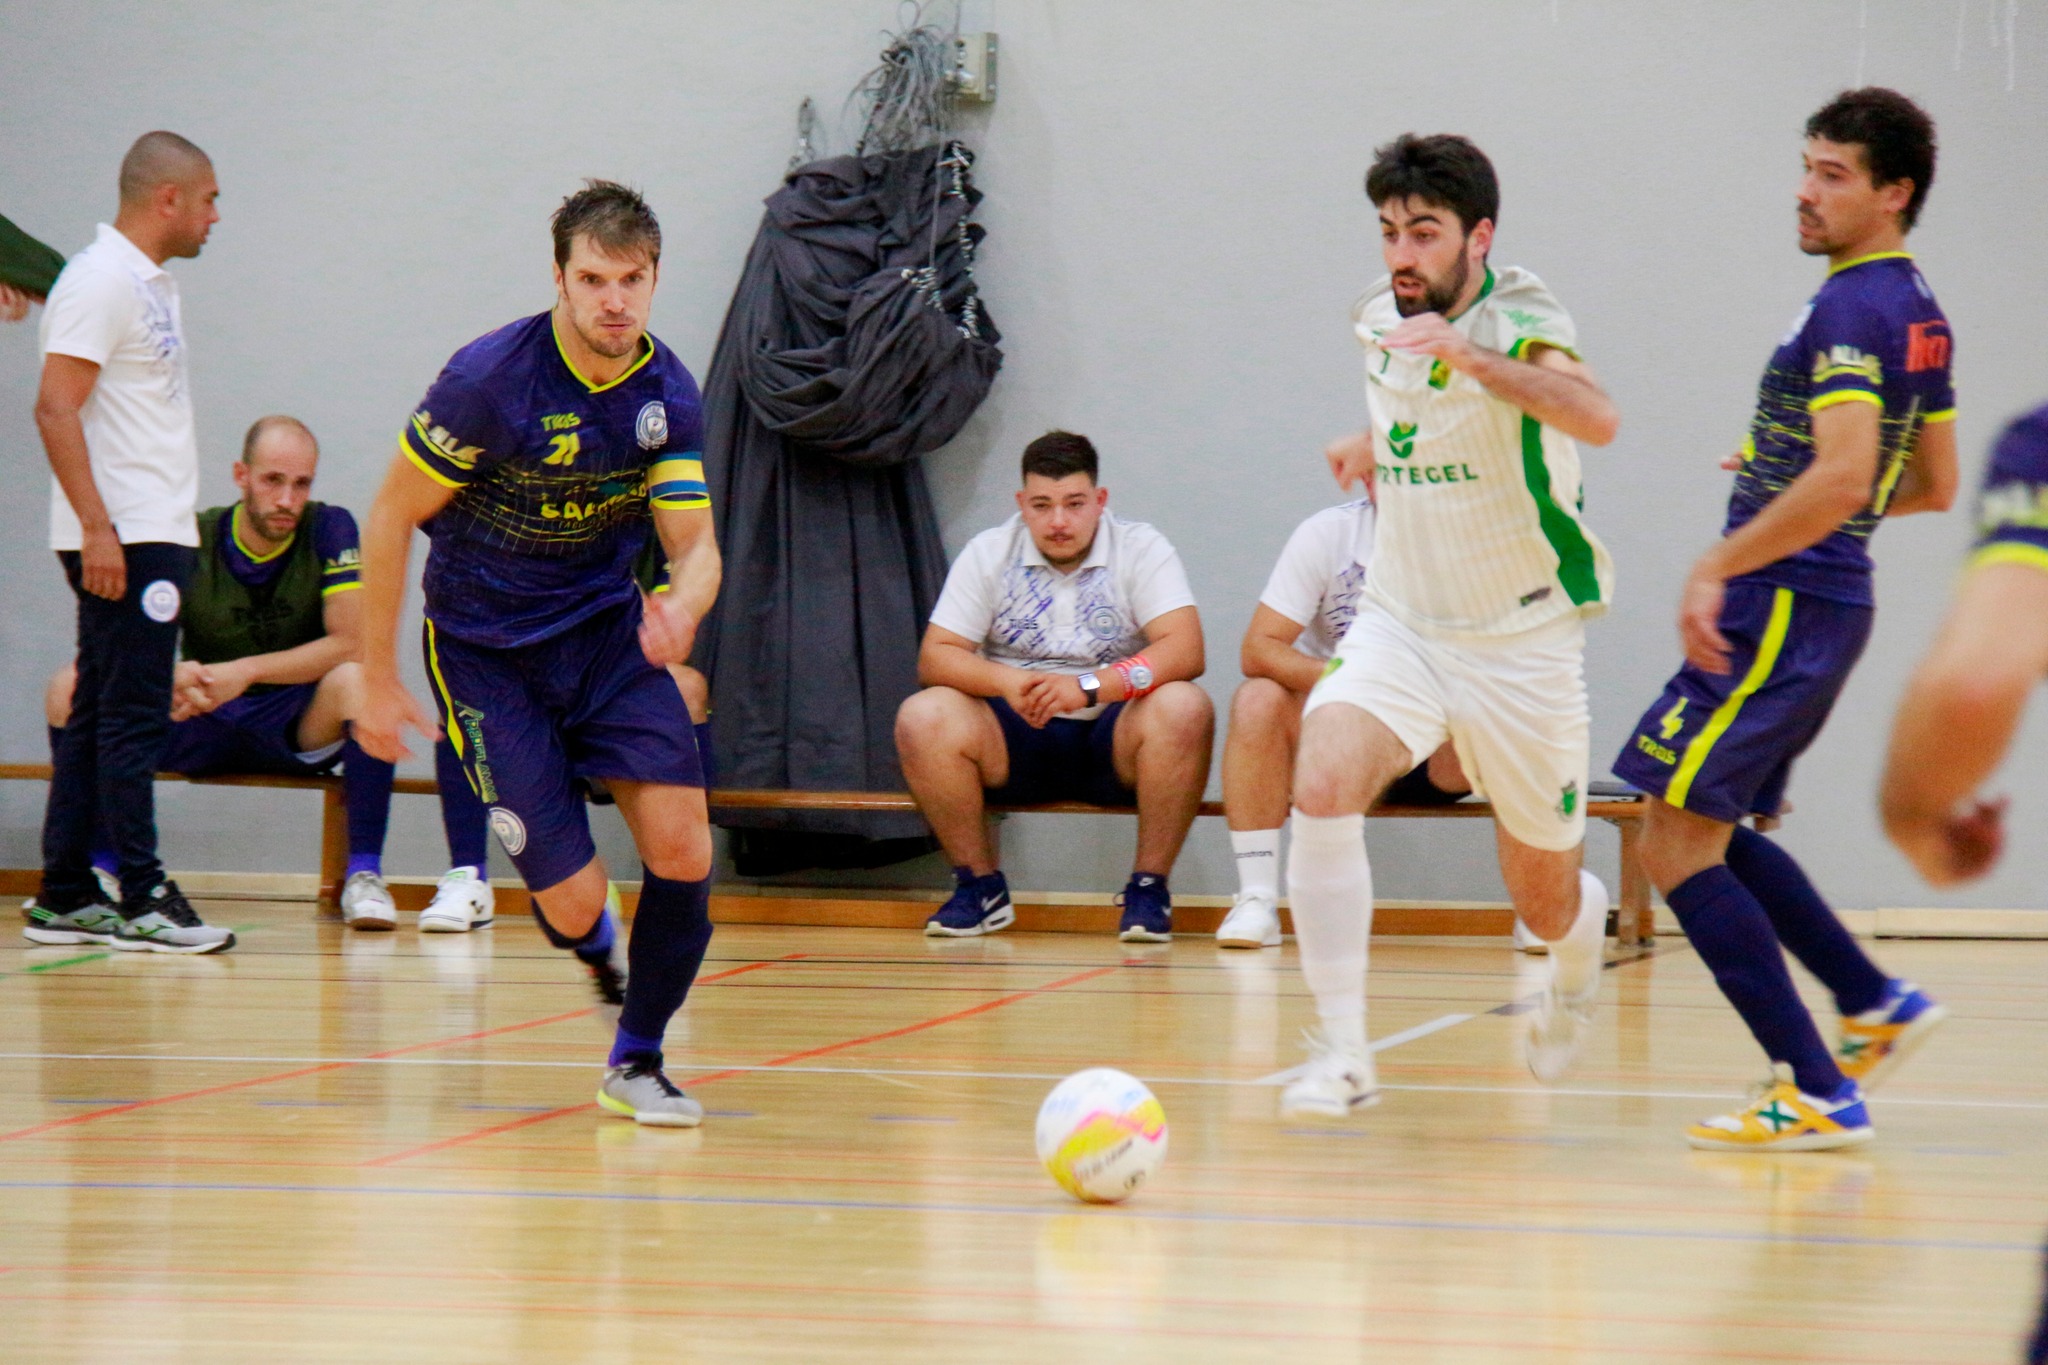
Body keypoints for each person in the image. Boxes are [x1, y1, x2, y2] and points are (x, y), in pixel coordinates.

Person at [1613, 89, 1956, 1152]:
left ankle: (1815, 1086)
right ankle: (1868, 1001)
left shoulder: (1853, 308)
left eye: (1832, 175)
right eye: (1805, 167)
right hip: (1817, 598)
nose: (1804, 193)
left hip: (1779, 603)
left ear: (1892, 193)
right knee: (1693, 822)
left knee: (1669, 839)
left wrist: (1728, 551)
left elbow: (1853, 471)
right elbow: (1923, 481)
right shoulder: (1913, 304)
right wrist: (1779, 477)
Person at [355, 180, 720, 1127]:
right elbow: (391, 516)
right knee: (569, 904)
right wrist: (379, 674)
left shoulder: (666, 391)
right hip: (486, 652)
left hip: (605, 634)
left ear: (652, 278)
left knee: (684, 844)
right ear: (559, 278)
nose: (614, 301)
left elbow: (695, 544)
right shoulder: (488, 382)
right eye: (593, 278)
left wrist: (685, 603)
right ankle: (593, 942)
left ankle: (637, 1061)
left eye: (631, 280)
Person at [1283, 132, 1620, 1119]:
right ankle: (1343, 1054)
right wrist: (1373, 450)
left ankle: (1574, 940)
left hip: (1520, 639)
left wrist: (1471, 356)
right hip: (1402, 621)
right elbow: (1430, 426)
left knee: (1541, 894)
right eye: (1387, 231)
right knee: (1322, 777)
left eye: (1422, 232)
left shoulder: (1519, 315)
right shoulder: (1375, 320)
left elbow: (1593, 418)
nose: (1400, 253)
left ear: (1477, 237)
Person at [22, 416, 496, 943]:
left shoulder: (329, 528)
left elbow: (350, 641)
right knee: (69, 687)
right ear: (241, 475)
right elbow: (129, 638)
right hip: (200, 711)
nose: (287, 499)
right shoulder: (194, 535)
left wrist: (243, 673)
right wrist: (171, 674)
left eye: (301, 484)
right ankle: (100, 868)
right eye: (273, 480)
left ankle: (362, 874)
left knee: (363, 682)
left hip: (291, 720)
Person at [30, 131, 232, 953]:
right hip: (125, 536)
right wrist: (97, 529)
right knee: (135, 717)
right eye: (211, 198)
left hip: (151, 529)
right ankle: (144, 896)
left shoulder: (150, 284)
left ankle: (66, 892)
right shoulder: (101, 280)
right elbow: (54, 407)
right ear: (168, 200)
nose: (218, 214)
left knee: (98, 714)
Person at [896, 431, 1214, 942]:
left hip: (1111, 737)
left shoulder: (1141, 547)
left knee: (1184, 704)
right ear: (1022, 503)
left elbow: (1185, 651)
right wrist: (1010, 681)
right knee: (923, 713)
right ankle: (978, 887)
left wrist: (1087, 686)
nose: (1059, 521)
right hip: (1015, 734)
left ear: (1100, 501)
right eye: (1042, 505)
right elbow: (935, 656)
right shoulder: (989, 552)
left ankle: (1148, 889)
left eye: (1074, 504)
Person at [1216, 495, 1474, 950]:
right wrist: (1349, 680)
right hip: (1334, 739)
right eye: (1376, 467)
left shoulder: (1475, 534)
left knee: (1518, 706)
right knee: (1257, 699)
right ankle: (1256, 898)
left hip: (1435, 740)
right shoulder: (1327, 535)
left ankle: (1537, 906)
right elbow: (1258, 648)